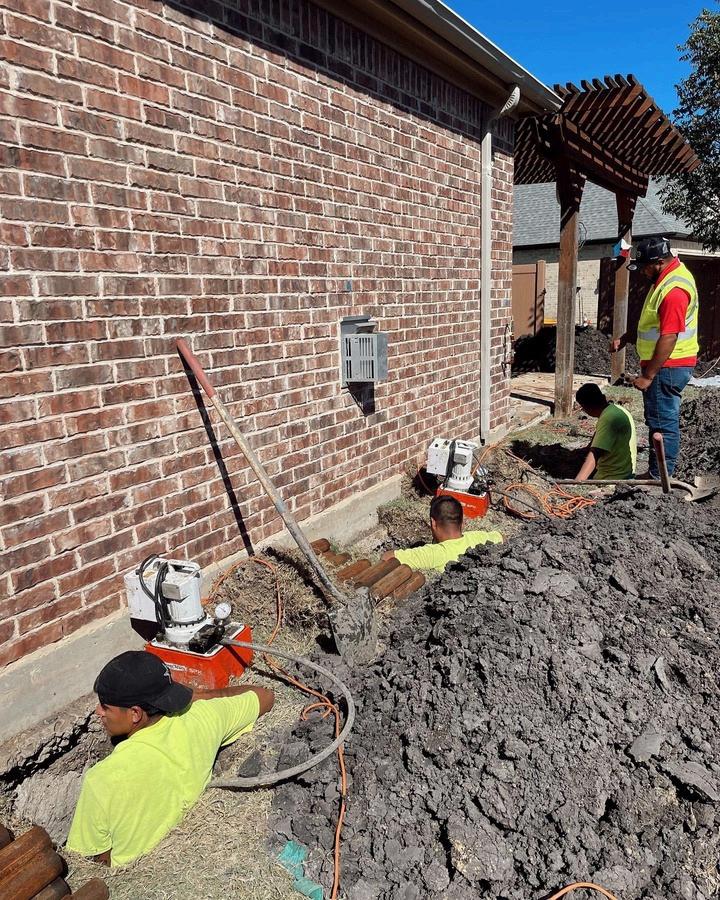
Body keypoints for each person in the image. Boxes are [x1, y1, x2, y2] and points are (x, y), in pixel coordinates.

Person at [66, 651, 274, 867]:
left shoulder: (100, 780)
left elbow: (93, 861)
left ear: (135, 713)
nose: (98, 711)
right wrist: (197, 696)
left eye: (105, 706)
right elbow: (265, 696)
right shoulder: (202, 718)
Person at [611, 236, 698, 477]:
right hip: (668, 365)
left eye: (645, 267)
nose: (642, 272)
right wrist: (627, 338)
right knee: (658, 420)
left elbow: (668, 336)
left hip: (667, 366)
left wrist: (648, 376)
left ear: (659, 262)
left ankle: (659, 477)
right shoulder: (666, 279)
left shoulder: (674, 291)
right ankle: (657, 474)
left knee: (662, 423)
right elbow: (655, 324)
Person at [381, 495, 502, 573]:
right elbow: (502, 537)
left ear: (433, 523)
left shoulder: (434, 553)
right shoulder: (479, 537)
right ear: (463, 522)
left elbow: (387, 558)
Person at [574, 382, 636, 481]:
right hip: (626, 473)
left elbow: (595, 453)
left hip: (610, 478)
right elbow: (597, 441)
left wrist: (578, 481)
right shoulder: (617, 410)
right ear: (603, 397)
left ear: (587, 408)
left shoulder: (608, 419)